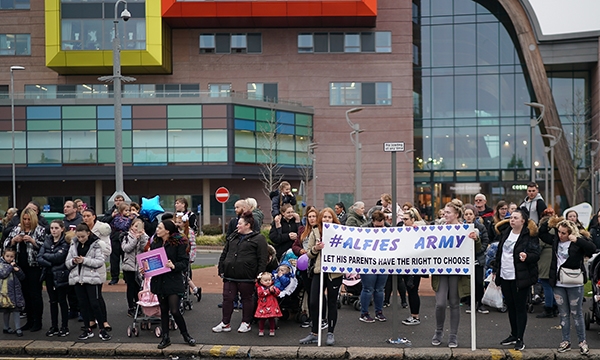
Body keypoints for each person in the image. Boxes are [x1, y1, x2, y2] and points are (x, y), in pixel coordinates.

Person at [431, 199, 480, 348]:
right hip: (441, 270)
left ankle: (453, 335)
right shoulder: (437, 228)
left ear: (456, 214)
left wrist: (475, 239)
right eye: (444, 212)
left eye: (448, 213)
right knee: (440, 303)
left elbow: (475, 250)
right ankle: (438, 331)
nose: (444, 215)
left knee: (454, 303)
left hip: (457, 271)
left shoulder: (466, 229)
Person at [213, 211, 268, 334]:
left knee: (246, 298)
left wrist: (259, 274)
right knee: (227, 298)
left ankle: (246, 322)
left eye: (240, 224)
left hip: (247, 275)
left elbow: (262, 258)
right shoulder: (233, 237)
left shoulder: (258, 239)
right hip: (230, 274)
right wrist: (221, 268)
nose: (237, 226)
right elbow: (225, 253)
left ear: (248, 225)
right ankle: (225, 323)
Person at [494, 208, 540, 351]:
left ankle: (520, 338)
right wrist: (496, 270)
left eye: (515, 218)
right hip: (505, 275)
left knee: (520, 308)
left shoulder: (529, 235)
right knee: (511, 307)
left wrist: (527, 256)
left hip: (520, 277)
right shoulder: (506, 232)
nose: (511, 220)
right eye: (511, 217)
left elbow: (536, 254)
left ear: (523, 221)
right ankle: (513, 334)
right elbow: (500, 253)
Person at [548, 219, 596, 355]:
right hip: (559, 282)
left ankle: (582, 342)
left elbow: (592, 248)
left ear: (570, 233)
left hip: (574, 282)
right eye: (559, 232)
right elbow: (542, 234)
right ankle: (565, 341)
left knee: (576, 313)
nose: (560, 235)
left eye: (564, 233)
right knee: (563, 314)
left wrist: (577, 240)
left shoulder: (577, 242)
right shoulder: (555, 241)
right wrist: (550, 220)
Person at [148, 220, 196, 349]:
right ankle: (165, 338)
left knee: (174, 310)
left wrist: (173, 266)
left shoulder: (178, 243)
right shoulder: (156, 243)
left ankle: (186, 335)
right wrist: (145, 268)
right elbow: (152, 260)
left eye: (159, 227)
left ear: (167, 230)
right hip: (159, 280)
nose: (157, 230)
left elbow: (184, 263)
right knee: (163, 310)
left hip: (173, 280)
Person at [299, 207, 342, 346]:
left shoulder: (340, 232)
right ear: (320, 219)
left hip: (334, 273)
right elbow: (309, 254)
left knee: (332, 302)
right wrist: (316, 249)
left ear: (333, 219)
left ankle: (330, 332)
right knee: (313, 302)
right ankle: (314, 333)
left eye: (329, 217)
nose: (327, 219)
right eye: (324, 217)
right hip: (319, 271)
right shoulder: (315, 232)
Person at [66, 224, 111, 341]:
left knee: (95, 303)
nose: (81, 239)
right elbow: (67, 262)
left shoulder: (96, 244)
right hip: (77, 278)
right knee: (83, 305)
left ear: (88, 234)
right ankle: (87, 329)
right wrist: (73, 261)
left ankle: (102, 329)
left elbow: (99, 261)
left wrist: (84, 260)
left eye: (83, 236)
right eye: (79, 236)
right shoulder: (73, 244)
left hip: (91, 278)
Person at [3, 207, 46, 332]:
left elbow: (45, 246)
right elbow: (5, 244)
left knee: (35, 294)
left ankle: (38, 322)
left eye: (28, 219)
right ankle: (29, 320)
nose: (26, 222)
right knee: (24, 293)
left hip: (34, 266)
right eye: (24, 219)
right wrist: (13, 240)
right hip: (20, 267)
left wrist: (33, 241)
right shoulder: (17, 229)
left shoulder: (40, 230)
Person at [292, 206, 325, 329]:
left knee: (318, 294)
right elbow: (294, 246)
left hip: (316, 264)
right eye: (309, 217)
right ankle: (312, 318)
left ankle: (321, 318)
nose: (311, 219)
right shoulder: (302, 230)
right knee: (309, 292)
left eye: (314, 216)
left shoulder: (321, 231)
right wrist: (300, 250)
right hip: (304, 265)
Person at [37, 220, 70, 337]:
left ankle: (64, 326)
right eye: (52, 228)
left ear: (62, 229)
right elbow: (39, 257)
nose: (54, 230)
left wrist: (47, 256)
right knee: (52, 301)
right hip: (49, 274)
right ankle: (54, 326)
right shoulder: (47, 240)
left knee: (62, 301)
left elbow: (60, 257)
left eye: (56, 228)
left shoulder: (65, 242)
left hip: (60, 275)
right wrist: (50, 261)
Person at [81, 208, 112, 330]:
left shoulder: (102, 229)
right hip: (84, 267)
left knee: (97, 296)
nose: (86, 218)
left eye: (88, 215)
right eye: (84, 216)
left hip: (97, 268)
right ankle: (91, 320)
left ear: (94, 216)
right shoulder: (81, 229)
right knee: (86, 297)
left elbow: (107, 250)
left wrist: (96, 259)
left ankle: (104, 321)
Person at [358, 210, 388, 323]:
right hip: (368, 262)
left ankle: (378, 312)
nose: (379, 229)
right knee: (368, 288)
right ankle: (364, 313)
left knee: (380, 289)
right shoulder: (364, 229)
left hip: (383, 262)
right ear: (372, 222)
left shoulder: (388, 229)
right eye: (377, 226)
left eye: (381, 226)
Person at [399, 208, 426, 325]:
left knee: (413, 290)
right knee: (409, 290)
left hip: (415, 265)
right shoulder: (402, 230)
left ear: (413, 219)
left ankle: (415, 316)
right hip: (405, 264)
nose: (404, 222)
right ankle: (413, 315)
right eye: (403, 219)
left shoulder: (419, 230)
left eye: (406, 219)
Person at [462, 204, 491, 314]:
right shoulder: (461, 227)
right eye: (466, 214)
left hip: (478, 259)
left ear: (474, 215)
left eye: (470, 214)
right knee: (469, 282)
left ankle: (480, 303)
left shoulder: (480, 227)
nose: (468, 216)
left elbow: (485, 240)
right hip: (466, 259)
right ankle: (471, 303)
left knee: (479, 282)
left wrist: (479, 251)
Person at [122, 218, 148, 317]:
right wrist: (135, 239)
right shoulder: (126, 236)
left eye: (140, 226)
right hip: (129, 265)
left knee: (139, 287)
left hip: (140, 266)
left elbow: (144, 248)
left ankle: (139, 305)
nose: (137, 228)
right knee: (130, 287)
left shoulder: (144, 236)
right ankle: (131, 307)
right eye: (135, 226)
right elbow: (126, 248)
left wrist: (142, 237)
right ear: (131, 226)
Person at [536, 208, 559, 318]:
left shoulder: (545, 229)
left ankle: (548, 308)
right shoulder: (557, 228)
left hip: (545, 259)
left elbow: (541, 244)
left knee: (546, 285)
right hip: (554, 257)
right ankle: (554, 307)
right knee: (552, 285)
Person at [174, 212, 201, 302]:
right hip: (177, 256)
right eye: (176, 222)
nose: (177, 224)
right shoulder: (175, 231)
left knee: (185, 275)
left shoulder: (189, 231)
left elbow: (193, 245)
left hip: (186, 256)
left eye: (179, 222)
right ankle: (195, 289)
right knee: (182, 275)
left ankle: (191, 290)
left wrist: (191, 257)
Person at [0, 247, 25, 337]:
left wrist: (17, 271)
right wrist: (11, 267)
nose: (9, 258)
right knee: (6, 310)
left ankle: (18, 328)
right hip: (5, 293)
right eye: (7, 256)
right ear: (3, 256)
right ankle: (6, 327)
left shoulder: (15, 266)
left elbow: (22, 277)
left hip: (15, 292)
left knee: (16, 310)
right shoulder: (2, 265)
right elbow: (3, 274)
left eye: (11, 256)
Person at [108, 203, 132, 285]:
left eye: (129, 210)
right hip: (115, 239)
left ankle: (126, 277)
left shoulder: (131, 218)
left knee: (125, 258)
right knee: (114, 259)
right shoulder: (117, 218)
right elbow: (121, 227)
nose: (128, 212)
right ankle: (114, 277)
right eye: (126, 210)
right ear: (121, 211)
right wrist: (129, 220)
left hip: (126, 240)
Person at [254, 272, 282, 337]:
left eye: (269, 280)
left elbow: (277, 293)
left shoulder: (273, 287)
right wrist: (269, 291)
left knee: (271, 318)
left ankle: (272, 329)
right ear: (261, 281)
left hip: (271, 305)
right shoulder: (260, 288)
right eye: (265, 280)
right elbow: (261, 294)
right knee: (262, 319)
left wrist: (274, 291)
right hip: (263, 305)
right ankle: (261, 330)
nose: (268, 282)